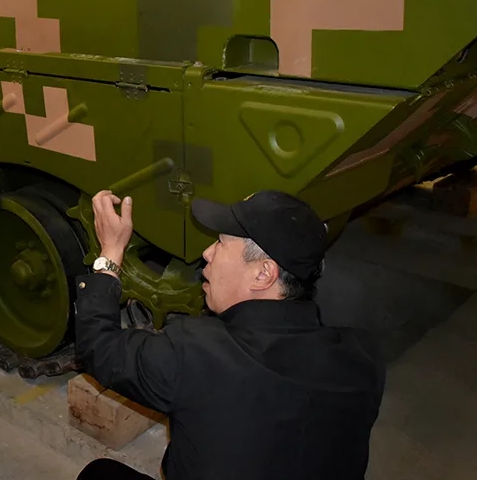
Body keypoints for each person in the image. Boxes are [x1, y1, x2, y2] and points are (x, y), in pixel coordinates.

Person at [74, 190, 386, 480]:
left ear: (263, 273)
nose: (207, 252)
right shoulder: (363, 357)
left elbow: (98, 348)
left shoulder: (196, 352)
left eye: (222, 242)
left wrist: (111, 252)